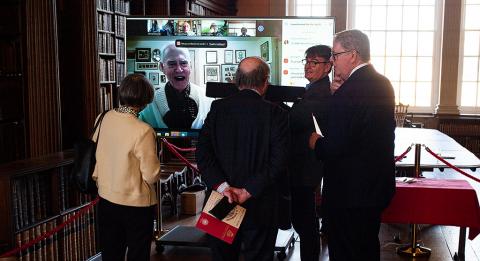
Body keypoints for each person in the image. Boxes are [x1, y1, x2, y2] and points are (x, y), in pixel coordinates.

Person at [308, 29, 396, 261]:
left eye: (336, 55)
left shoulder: (348, 93)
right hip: (375, 188)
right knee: (367, 247)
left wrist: (316, 143)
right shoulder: (382, 83)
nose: (333, 62)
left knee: (346, 251)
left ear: (353, 54)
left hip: (349, 194)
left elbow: (334, 148)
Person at [196, 57, 288, 261]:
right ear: (266, 82)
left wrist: (223, 187)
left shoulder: (218, 108)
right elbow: (279, 161)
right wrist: (248, 191)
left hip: (221, 201)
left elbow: (202, 153)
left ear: (237, 81)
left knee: (223, 257)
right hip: (261, 203)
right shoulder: (276, 114)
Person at [93, 74, 161, 261]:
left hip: (106, 198)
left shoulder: (103, 118)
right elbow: (151, 175)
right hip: (136, 205)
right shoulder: (143, 130)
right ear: (146, 99)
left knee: (111, 253)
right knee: (138, 254)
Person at [289, 45, 332, 261]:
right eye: (306, 61)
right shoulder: (313, 90)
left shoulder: (321, 93)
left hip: (306, 167)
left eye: (314, 62)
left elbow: (294, 120)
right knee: (305, 222)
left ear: (328, 67)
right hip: (305, 165)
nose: (308, 66)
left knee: (305, 223)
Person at [139, 44, 213, 129]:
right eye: (172, 64)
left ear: (190, 66)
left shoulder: (206, 98)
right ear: (162, 67)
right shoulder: (149, 102)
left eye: (183, 63)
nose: (179, 69)